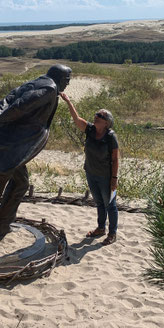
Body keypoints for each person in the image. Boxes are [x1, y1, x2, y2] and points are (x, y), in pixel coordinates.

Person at [0, 64, 72, 251]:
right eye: (67, 79)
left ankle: (2, 227)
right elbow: (19, 106)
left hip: (15, 149)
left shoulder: (39, 81)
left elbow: (7, 98)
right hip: (10, 148)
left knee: (21, 183)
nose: (68, 83)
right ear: (59, 77)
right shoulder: (49, 88)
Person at [60, 93, 119, 245]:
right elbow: (76, 119)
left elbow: (115, 159)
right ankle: (101, 228)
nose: (96, 117)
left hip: (106, 176)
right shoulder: (91, 130)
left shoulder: (111, 137)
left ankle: (112, 233)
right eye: (96, 114)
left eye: (100, 116)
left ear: (107, 123)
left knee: (110, 205)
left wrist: (114, 179)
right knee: (99, 203)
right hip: (91, 173)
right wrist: (68, 101)